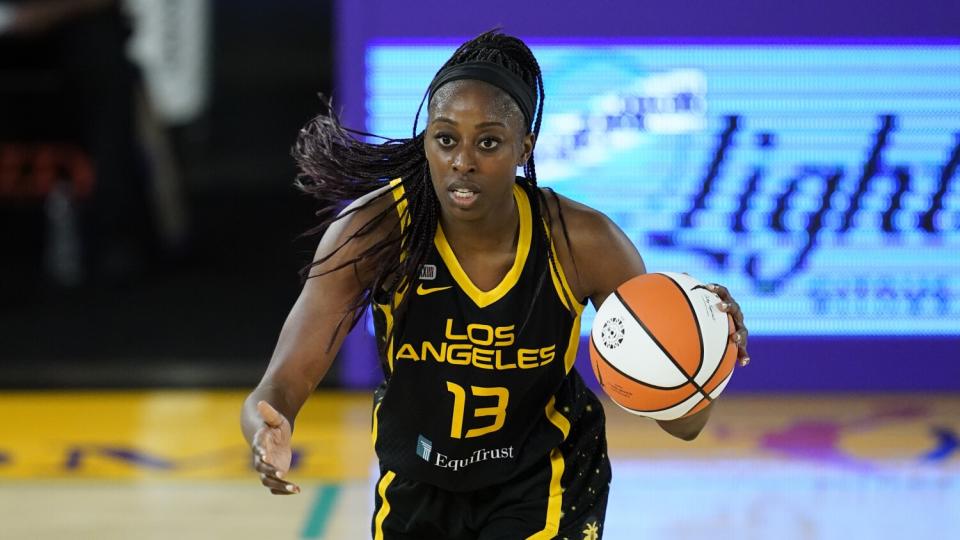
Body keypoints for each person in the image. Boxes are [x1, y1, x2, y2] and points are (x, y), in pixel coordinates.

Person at [241, 30, 750, 539]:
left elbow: (685, 424)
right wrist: (268, 425)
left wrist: (705, 351)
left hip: (544, 481)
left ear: (524, 146)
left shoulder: (583, 243)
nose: (463, 161)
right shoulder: (374, 232)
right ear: (427, 142)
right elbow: (280, 384)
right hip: (415, 481)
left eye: (488, 142)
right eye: (446, 139)